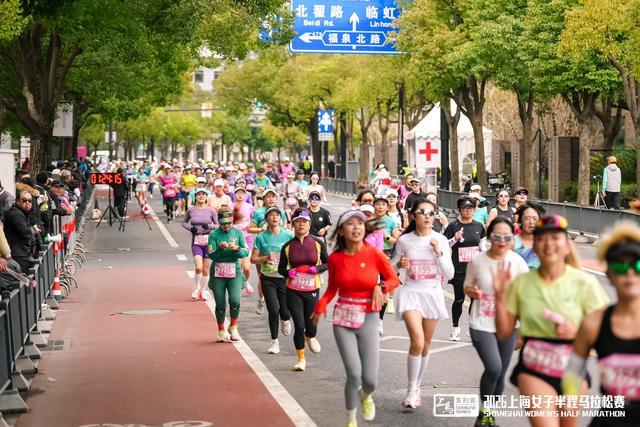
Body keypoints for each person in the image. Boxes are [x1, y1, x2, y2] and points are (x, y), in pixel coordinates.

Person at [494, 215, 609, 426]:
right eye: (541, 238)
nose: (548, 244)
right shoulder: (521, 283)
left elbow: (606, 331)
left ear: (567, 246)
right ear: (534, 247)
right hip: (534, 369)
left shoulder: (584, 283)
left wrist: (576, 332)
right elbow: (504, 333)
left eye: (555, 238)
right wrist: (500, 297)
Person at [312, 209, 400, 427]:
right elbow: (332, 288)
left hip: (369, 317)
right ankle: (351, 419)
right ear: (341, 231)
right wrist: (321, 304)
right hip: (343, 319)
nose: (356, 227)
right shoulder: (336, 258)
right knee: (354, 373)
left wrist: (381, 287)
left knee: (370, 380)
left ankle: (366, 396)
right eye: (350, 224)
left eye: (360, 223)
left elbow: (393, 279)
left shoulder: (374, 254)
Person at [562, 221, 640, 426]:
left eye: (638, 265)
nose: (630, 273)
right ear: (609, 275)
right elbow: (572, 377)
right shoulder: (594, 323)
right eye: (620, 266)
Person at [391, 198, 455, 410]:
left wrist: (438, 252)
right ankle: (411, 389)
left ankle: (417, 387)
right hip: (411, 292)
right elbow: (391, 268)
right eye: (423, 212)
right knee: (417, 342)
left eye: (431, 213)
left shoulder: (440, 240)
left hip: (432, 293)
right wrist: (399, 265)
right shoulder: (405, 240)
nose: (428, 217)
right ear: (413, 215)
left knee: (426, 345)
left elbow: (450, 274)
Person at [464, 218, 528, 426]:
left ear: (513, 239)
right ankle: (484, 413)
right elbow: (467, 286)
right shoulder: (477, 261)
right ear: (489, 237)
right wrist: (472, 292)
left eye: (507, 238)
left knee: (500, 375)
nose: (502, 242)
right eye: (497, 237)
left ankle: (487, 416)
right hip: (481, 323)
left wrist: (524, 331)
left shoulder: (518, 263)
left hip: (509, 326)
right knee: (494, 367)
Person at [278, 209, 328, 371]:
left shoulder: (318, 243)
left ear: (309, 224)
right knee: (299, 325)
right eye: (298, 221)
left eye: (304, 221)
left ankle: (310, 335)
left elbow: (328, 263)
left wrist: (317, 269)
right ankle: (301, 359)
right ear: (293, 224)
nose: (301, 224)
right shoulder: (287, 246)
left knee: (311, 324)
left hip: (312, 288)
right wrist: (288, 273)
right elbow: (281, 269)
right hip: (293, 289)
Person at [443, 196, 487, 342]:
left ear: (475, 210)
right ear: (460, 210)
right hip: (459, 269)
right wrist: (454, 239)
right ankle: (455, 328)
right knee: (459, 299)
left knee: (475, 300)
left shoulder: (479, 226)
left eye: (471, 208)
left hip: (475, 270)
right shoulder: (453, 226)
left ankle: (472, 328)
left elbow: (483, 246)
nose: (468, 210)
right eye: (465, 208)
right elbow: (444, 246)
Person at [251, 206, 294, 354]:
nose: (274, 217)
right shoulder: (261, 237)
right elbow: (253, 259)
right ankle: (274, 342)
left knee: (285, 311)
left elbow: (296, 254)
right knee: (273, 310)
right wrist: (265, 258)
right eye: (271, 215)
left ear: (280, 218)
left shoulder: (289, 235)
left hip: (284, 278)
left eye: (277, 215)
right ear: (266, 219)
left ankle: (285, 319)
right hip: (268, 278)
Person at [208, 210, 249, 342]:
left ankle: (233, 326)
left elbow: (246, 252)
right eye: (223, 223)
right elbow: (211, 254)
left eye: (229, 223)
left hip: (234, 271)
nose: (226, 226)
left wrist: (237, 249)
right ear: (219, 222)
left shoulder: (238, 233)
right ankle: (221, 330)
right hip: (218, 272)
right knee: (220, 304)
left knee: (235, 300)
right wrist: (220, 248)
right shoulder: (214, 234)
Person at [248, 189, 287, 315]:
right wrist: (261, 229)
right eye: (268, 197)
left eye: (273, 197)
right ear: (263, 199)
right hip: (263, 249)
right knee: (262, 277)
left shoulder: (281, 212)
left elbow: (286, 226)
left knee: (283, 277)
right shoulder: (259, 213)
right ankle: (261, 300)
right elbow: (249, 229)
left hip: (279, 249)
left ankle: (282, 307)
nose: (271, 199)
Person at [182, 188, 218, 301]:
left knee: (206, 269)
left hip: (209, 242)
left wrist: (210, 226)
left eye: (203, 194)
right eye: (199, 195)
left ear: (206, 197)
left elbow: (218, 225)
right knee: (198, 267)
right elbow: (183, 222)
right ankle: (196, 287)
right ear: (195, 197)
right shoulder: (191, 210)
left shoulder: (211, 210)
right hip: (196, 241)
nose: (201, 196)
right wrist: (190, 228)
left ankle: (203, 290)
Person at [4, 191, 38, 274]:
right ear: (17, 201)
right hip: (19, 254)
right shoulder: (16, 214)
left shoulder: (23, 213)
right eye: (24, 200)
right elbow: (25, 232)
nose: (27, 203)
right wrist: (33, 230)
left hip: (22, 252)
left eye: (30, 201)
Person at [232, 187, 255, 295]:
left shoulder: (250, 207)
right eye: (238, 193)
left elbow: (254, 221)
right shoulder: (231, 206)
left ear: (245, 195)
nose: (240, 194)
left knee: (246, 267)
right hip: (235, 238)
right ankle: (238, 284)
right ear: (234, 194)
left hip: (247, 238)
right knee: (238, 265)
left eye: (242, 193)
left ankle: (246, 282)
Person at [513, 202, 546, 270]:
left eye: (535, 218)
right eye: (527, 218)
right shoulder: (511, 242)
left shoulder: (546, 243)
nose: (531, 222)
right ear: (520, 220)